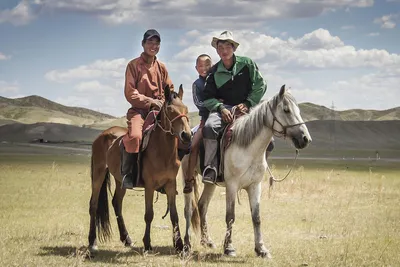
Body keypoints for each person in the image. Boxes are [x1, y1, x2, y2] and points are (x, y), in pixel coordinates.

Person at [202, 30, 273, 183]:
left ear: (234, 48)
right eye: (220, 47)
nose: (224, 51)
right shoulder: (213, 72)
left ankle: (260, 168)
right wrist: (221, 108)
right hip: (223, 109)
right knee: (209, 127)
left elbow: (261, 85)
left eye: (228, 46)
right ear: (216, 50)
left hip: (247, 107)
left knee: (270, 140)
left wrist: (248, 103)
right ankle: (210, 168)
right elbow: (207, 98)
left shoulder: (247, 64)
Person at [121, 29, 174, 189]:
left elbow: (169, 90)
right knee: (136, 137)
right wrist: (150, 101)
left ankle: (167, 177)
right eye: (150, 42)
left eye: (157, 43)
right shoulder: (133, 65)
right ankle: (128, 174)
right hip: (139, 111)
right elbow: (130, 93)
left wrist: (164, 102)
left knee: (174, 136)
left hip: (158, 113)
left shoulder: (162, 67)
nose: (153, 46)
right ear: (143, 44)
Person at [183, 54, 213, 193]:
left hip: (224, 116)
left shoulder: (217, 80)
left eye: (207, 65)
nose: (204, 68)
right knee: (194, 145)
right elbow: (198, 103)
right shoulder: (197, 84)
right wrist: (216, 105)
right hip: (206, 119)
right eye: (200, 66)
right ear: (196, 68)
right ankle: (189, 180)